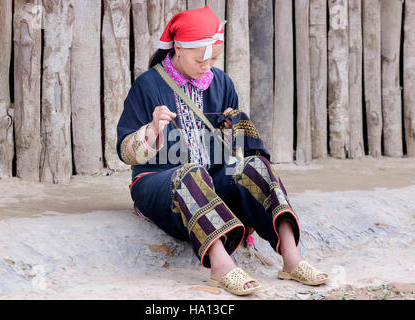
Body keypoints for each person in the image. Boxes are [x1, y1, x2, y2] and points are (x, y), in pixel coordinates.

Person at [116, 6, 329, 296]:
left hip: (209, 180)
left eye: (214, 58)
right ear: (178, 47)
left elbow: (232, 150)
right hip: (158, 181)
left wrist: (231, 129)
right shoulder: (148, 85)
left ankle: (291, 258)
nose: (207, 65)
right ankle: (221, 266)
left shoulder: (221, 82)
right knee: (190, 172)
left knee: (254, 166)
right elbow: (125, 152)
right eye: (200, 58)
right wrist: (152, 130)